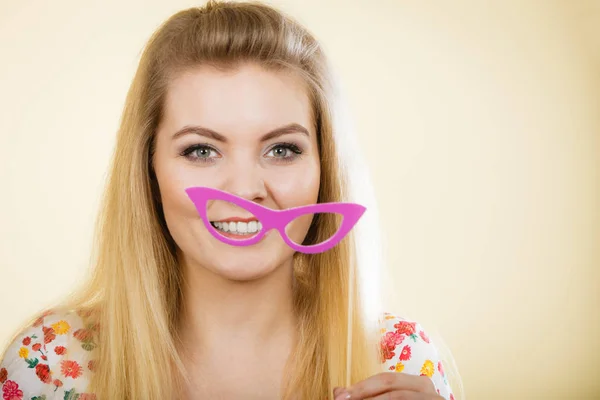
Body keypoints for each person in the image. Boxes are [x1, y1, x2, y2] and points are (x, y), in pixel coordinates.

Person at [0, 1, 456, 399]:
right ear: (148, 168)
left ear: (325, 170)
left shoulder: (401, 362)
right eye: (201, 150)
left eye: (282, 150)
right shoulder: (51, 362)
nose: (244, 190)